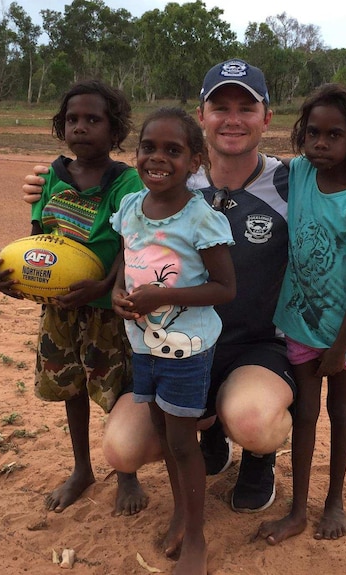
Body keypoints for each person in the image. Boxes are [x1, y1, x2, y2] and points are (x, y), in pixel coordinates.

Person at [20, 60, 346, 519]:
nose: (233, 118)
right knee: (121, 448)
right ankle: (210, 430)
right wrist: (50, 183)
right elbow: (107, 203)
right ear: (202, 117)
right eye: (220, 106)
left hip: (257, 348)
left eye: (247, 107)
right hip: (181, 346)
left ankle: (258, 457)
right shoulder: (172, 176)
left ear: (267, 118)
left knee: (254, 421)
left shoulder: (293, 179)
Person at [0, 79, 150, 517]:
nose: (81, 127)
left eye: (93, 120)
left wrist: (102, 287)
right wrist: (13, 279)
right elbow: (39, 242)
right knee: (71, 388)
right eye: (73, 120)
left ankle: (127, 472)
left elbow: (130, 242)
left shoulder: (126, 181)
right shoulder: (51, 179)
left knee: (116, 389)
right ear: (62, 128)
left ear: (114, 132)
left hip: (107, 311)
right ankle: (82, 469)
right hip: (60, 309)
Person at [257, 83, 346, 545]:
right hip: (298, 323)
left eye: (334, 135)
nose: (321, 144)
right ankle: (296, 511)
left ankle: (334, 501)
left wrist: (338, 348)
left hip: (343, 331)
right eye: (312, 134)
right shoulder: (302, 176)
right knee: (306, 414)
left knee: (340, 412)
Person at [110, 107, 236, 574]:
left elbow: (226, 288)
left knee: (184, 442)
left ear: (195, 161)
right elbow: (127, 259)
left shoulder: (200, 218)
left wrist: (164, 294)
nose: (158, 158)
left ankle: (197, 541)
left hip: (185, 348)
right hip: (143, 343)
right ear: (136, 152)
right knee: (163, 435)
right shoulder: (129, 207)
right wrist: (117, 293)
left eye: (173, 150)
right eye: (149, 147)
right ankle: (182, 511)